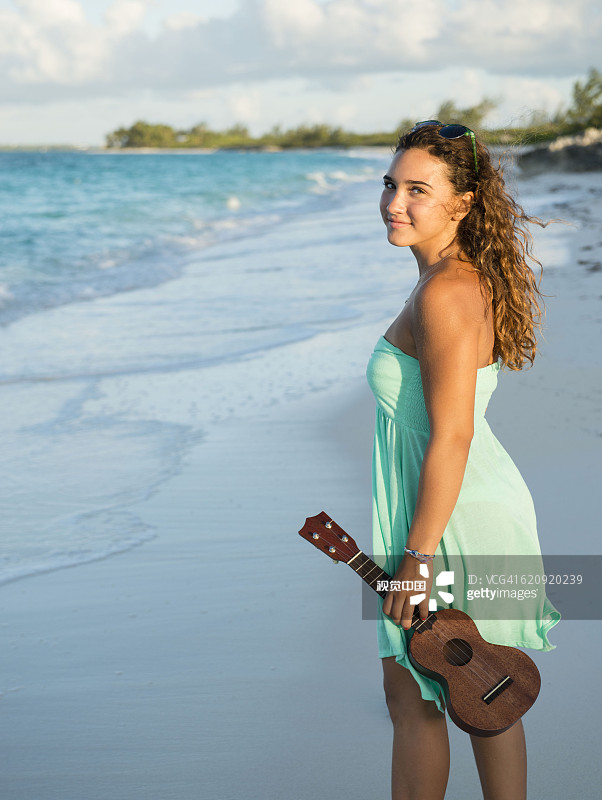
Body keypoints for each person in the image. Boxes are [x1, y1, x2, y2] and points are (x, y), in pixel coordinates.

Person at [366, 122, 561, 800]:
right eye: (392, 184)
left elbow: (451, 437)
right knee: (486, 698)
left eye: (418, 189)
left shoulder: (445, 292)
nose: (395, 202)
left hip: (451, 524)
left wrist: (416, 559)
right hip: (456, 509)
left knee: (417, 698)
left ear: (465, 202)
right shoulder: (454, 281)